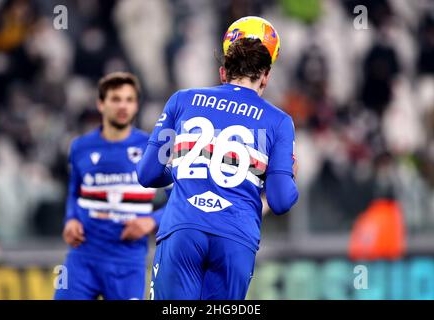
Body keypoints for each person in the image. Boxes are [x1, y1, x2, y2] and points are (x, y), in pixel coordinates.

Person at [137, 17, 298, 300]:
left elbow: (148, 173)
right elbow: (281, 200)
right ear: (266, 75)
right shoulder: (279, 122)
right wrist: (287, 175)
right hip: (236, 238)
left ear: (224, 71)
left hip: (183, 228)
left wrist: (188, 165)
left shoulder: (182, 100)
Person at [54, 72, 164, 300]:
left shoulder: (152, 148)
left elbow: (180, 198)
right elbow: (75, 192)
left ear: (136, 106)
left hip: (128, 260)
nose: (123, 106)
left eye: (129, 100)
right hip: (82, 257)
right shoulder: (79, 147)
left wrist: (152, 221)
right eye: (115, 99)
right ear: (100, 104)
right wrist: (71, 219)